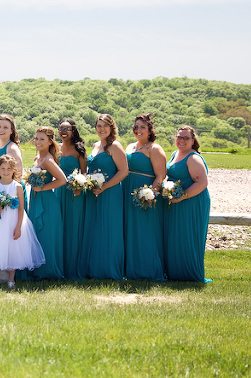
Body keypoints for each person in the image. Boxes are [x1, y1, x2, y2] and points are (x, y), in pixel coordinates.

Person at [0, 155, 45, 290]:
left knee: (13, 248)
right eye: (3, 169)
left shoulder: (17, 187)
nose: (6, 171)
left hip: (12, 221)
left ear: (13, 170)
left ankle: (11, 279)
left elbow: (21, 208)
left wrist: (18, 227)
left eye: (9, 169)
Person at [78, 114, 128, 280]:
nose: (101, 129)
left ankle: (109, 269)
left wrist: (104, 187)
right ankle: (93, 268)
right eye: (99, 125)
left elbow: (123, 171)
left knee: (109, 228)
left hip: (110, 193)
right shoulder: (95, 145)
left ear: (112, 127)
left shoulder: (115, 146)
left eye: (105, 125)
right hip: (93, 193)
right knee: (94, 229)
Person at [164, 126, 212, 283]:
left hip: (192, 201)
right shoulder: (175, 154)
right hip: (178, 201)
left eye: (185, 138)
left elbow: (202, 183)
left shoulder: (193, 158)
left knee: (188, 236)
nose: (181, 140)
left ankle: (190, 274)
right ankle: (175, 273)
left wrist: (182, 196)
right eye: (179, 137)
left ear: (193, 140)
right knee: (176, 236)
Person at [123, 113, 167, 281]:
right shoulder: (129, 147)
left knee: (145, 231)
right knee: (129, 230)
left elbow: (161, 175)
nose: (138, 130)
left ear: (149, 130)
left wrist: (150, 195)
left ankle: (147, 270)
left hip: (145, 195)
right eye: (136, 127)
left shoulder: (154, 148)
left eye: (142, 127)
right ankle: (129, 270)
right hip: (127, 191)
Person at [21, 127, 67, 280]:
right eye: (36, 138)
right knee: (37, 234)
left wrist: (41, 188)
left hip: (47, 201)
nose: (38, 142)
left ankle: (47, 270)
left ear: (49, 142)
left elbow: (62, 180)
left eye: (42, 139)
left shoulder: (47, 160)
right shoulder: (37, 158)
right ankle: (37, 268)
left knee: (46, 234)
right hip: (36, 199)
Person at [57, 119, 87, 280]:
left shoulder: (79, 150)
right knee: (59, 227)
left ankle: (73, 268)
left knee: (73, 227)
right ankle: (59, 266)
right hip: (58, 192)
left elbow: (84, 173)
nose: (63, 131)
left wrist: (78, 186)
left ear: (73, 131)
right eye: (61, 128)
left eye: (67, 128)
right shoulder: (55, 148)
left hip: (75, 193)